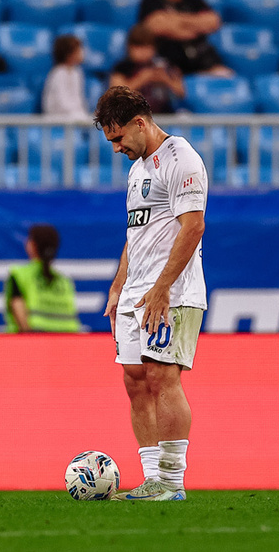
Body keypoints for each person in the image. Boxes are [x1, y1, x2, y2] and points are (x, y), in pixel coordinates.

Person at [95, 85, 207, 501]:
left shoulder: (181, 159)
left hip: (172, 292)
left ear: (140, 123)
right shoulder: (137, 169)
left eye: (119, 137)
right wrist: (118, 284)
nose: (116, 148)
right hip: (135, 293)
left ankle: (172, 481)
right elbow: (136, 232)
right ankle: (151, 480)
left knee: (162, 376)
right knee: (135, 379)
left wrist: (162, 289)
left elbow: (193, 227)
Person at [137, 0, 232, 77]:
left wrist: (173, 21)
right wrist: (195, 26)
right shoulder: (150, 1)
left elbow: (213, 21)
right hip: (167, 65)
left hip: (204, 61)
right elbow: (156, 25)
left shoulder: (194, 0)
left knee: (226, 78)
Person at [3, 224, 82, 333]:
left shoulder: (20, 275)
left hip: (35, 338)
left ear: (33, 245)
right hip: (68, 337)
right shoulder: (64, 280)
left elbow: (18, 308)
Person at [110, 25, 185, 115]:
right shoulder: (122, 67)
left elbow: (181, 92)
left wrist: (166, 80)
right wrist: (141, 79)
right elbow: (116, 95)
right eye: (138, 47)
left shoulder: (162, 66)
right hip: (132, 115)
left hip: (163, 115)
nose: (143, 52)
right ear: (129, 47)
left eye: (147, 47)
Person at [42, 34, 89, 118]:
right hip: (57, 117)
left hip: (74, 116)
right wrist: (78, 115)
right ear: (68, 54)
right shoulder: (58, 73)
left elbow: (78, 98)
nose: (82, 52)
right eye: (78, 50)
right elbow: (61, 102)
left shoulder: (77, 72)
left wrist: (82, 113)